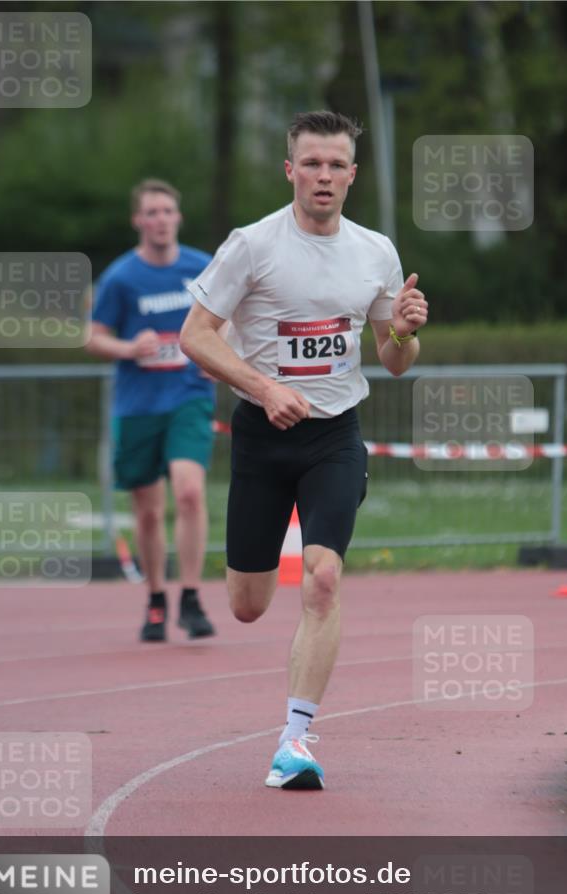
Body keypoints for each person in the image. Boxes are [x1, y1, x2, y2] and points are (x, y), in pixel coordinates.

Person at [180, 110, 428, 788]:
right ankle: (289, 719)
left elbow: (393, 359)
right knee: (247, 604)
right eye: (310, 163)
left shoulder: (375, 252)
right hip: (263, 439)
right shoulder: (251, 246)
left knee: (321, 577)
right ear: (291, 170)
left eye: (335, 164)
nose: (323, 175)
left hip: (334, 436)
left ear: (352, 174)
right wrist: (263, 387)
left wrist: (403, 332)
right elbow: (195, 336)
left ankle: (295, 742)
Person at [87, 178, 216, 642]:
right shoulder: (122, 277)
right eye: (152, 213)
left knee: (188, 492)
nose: (161, 220)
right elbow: (93, 335)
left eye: (168, 211)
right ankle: (157, 598)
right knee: (147, 510)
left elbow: (234, 323)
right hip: (138, 403)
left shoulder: (203, 268)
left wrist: (220, 363)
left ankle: (193, 597)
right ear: (138, 221)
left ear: (178, 217)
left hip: (189, 396)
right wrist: (128, 347)